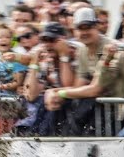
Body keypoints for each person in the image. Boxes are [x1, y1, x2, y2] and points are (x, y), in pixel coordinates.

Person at [44, 7, 113, 135]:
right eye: (80, 28)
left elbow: (96, 88)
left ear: (97, 26)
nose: (84, 32)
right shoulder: (82, 50)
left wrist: (60, 93)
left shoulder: (109, 47)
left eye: (87, 27)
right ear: (74, 31)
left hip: (115, 110)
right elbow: (78, 86)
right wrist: (52, 92)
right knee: (56, 107)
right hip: (101, 108)